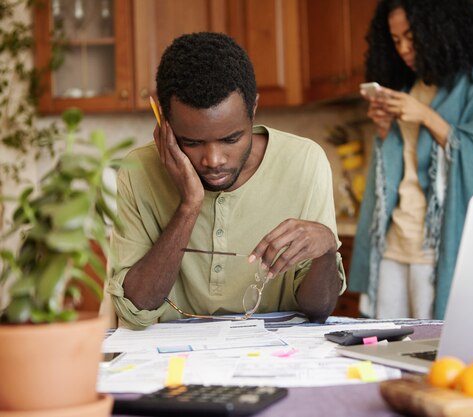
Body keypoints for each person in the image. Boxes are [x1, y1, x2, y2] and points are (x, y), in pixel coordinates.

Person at [107, 32, 344, 329]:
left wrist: (326, 248)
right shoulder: (137, 170)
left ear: (253, 110)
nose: (214, 159)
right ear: (163, 125)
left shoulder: (305, 161)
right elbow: (136, 309)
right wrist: (189, 204)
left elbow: (319, 310)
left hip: (275, 357)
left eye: (231, 138)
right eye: (191, 142)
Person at [349, 0, 473, 320]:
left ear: (438, 30)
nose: (405, 49)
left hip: (433, 251)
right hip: (395, 242)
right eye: (396, 41)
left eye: (412, 36)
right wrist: (385, 131)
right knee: (383, 348)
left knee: (430, 351)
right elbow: (403, 164)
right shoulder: (412, 86)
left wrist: (427, 117)